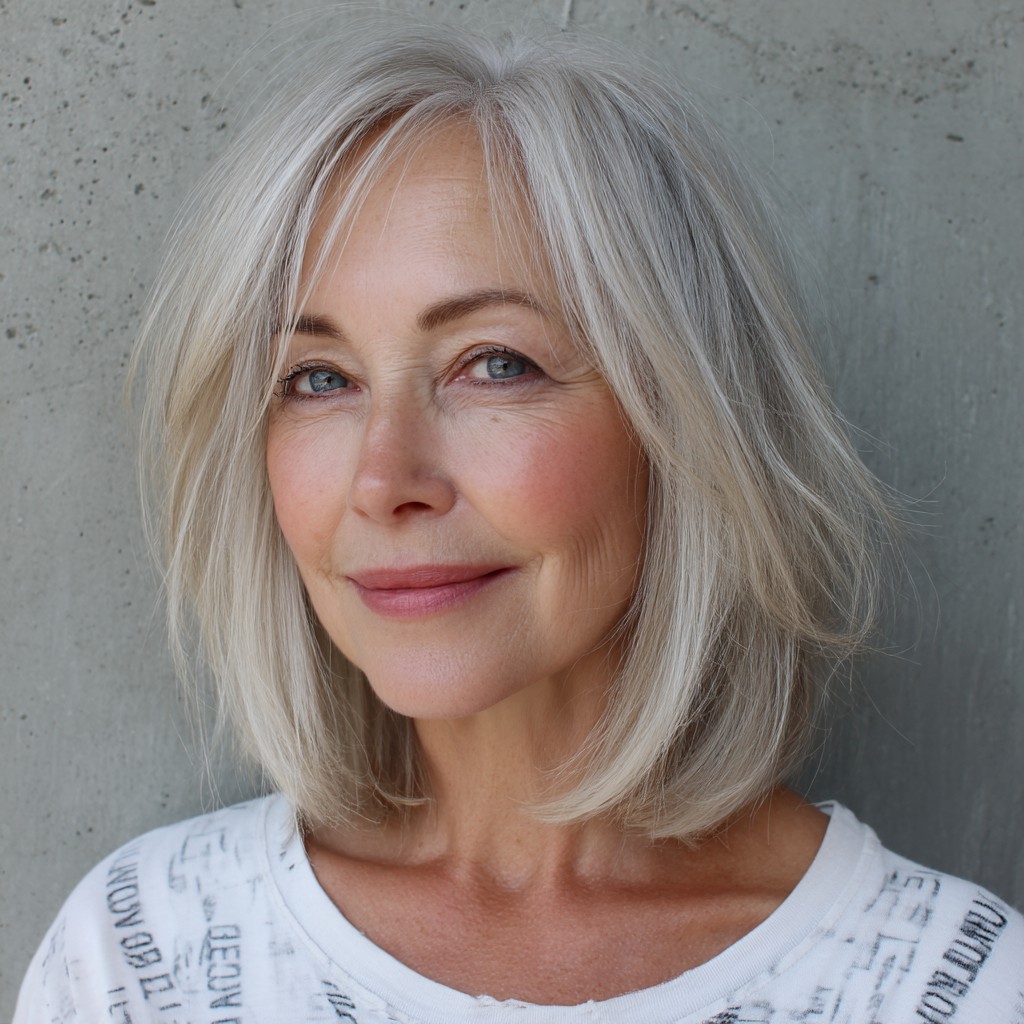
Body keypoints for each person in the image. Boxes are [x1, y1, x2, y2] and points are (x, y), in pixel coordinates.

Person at [14, 20, 1023, 1023]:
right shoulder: (143, 959)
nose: (384, 479)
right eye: (319, 378)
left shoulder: (954, 991)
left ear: (683, 420)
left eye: (496, 364)